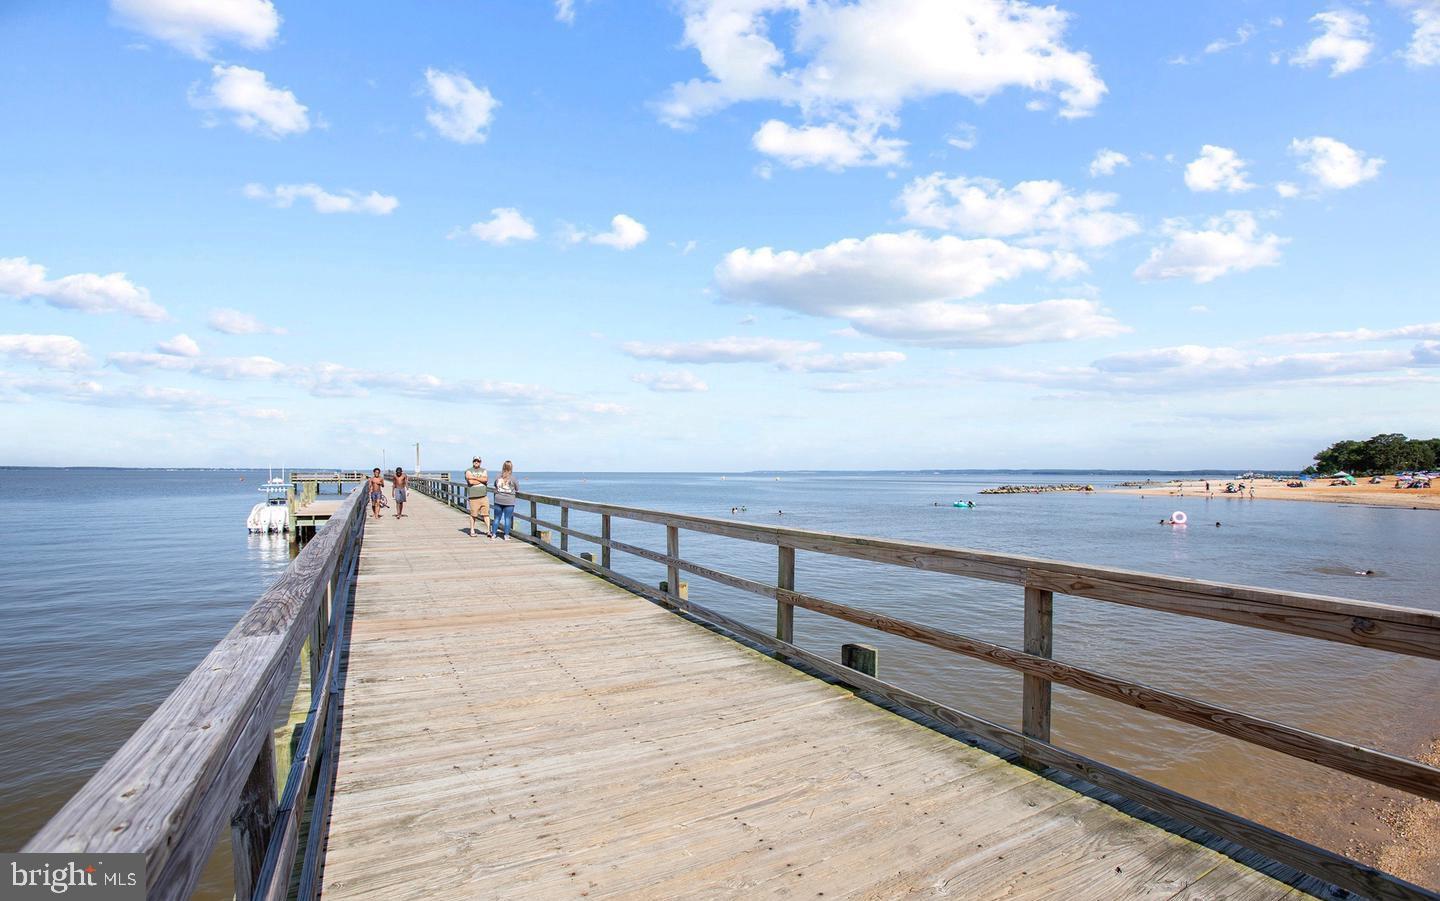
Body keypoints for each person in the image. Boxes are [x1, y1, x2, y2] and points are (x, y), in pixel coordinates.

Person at [491, 461, 518, 540]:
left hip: (498, 499)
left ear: (503, 467)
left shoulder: (498, 477)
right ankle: (506, 536)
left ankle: (493, 534)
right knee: (507, 518)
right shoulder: (513, 478)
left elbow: (495, 485)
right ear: (511, 468)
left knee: (497, 518)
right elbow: (517, 488)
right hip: (509, 501)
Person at [465, 456, 489, 537]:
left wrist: (474, 477)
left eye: (478, 461)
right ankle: (472, 530)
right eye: (475, 461)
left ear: (480, 462)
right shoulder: (468, 471)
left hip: (483, 496)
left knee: (486, 514)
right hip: (473, 497)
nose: (476, 462)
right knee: (473, 514)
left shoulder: (484, 470)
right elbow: (471, 482)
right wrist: (480, 480)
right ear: (473, 461)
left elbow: (485, 479)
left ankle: (489, 531)